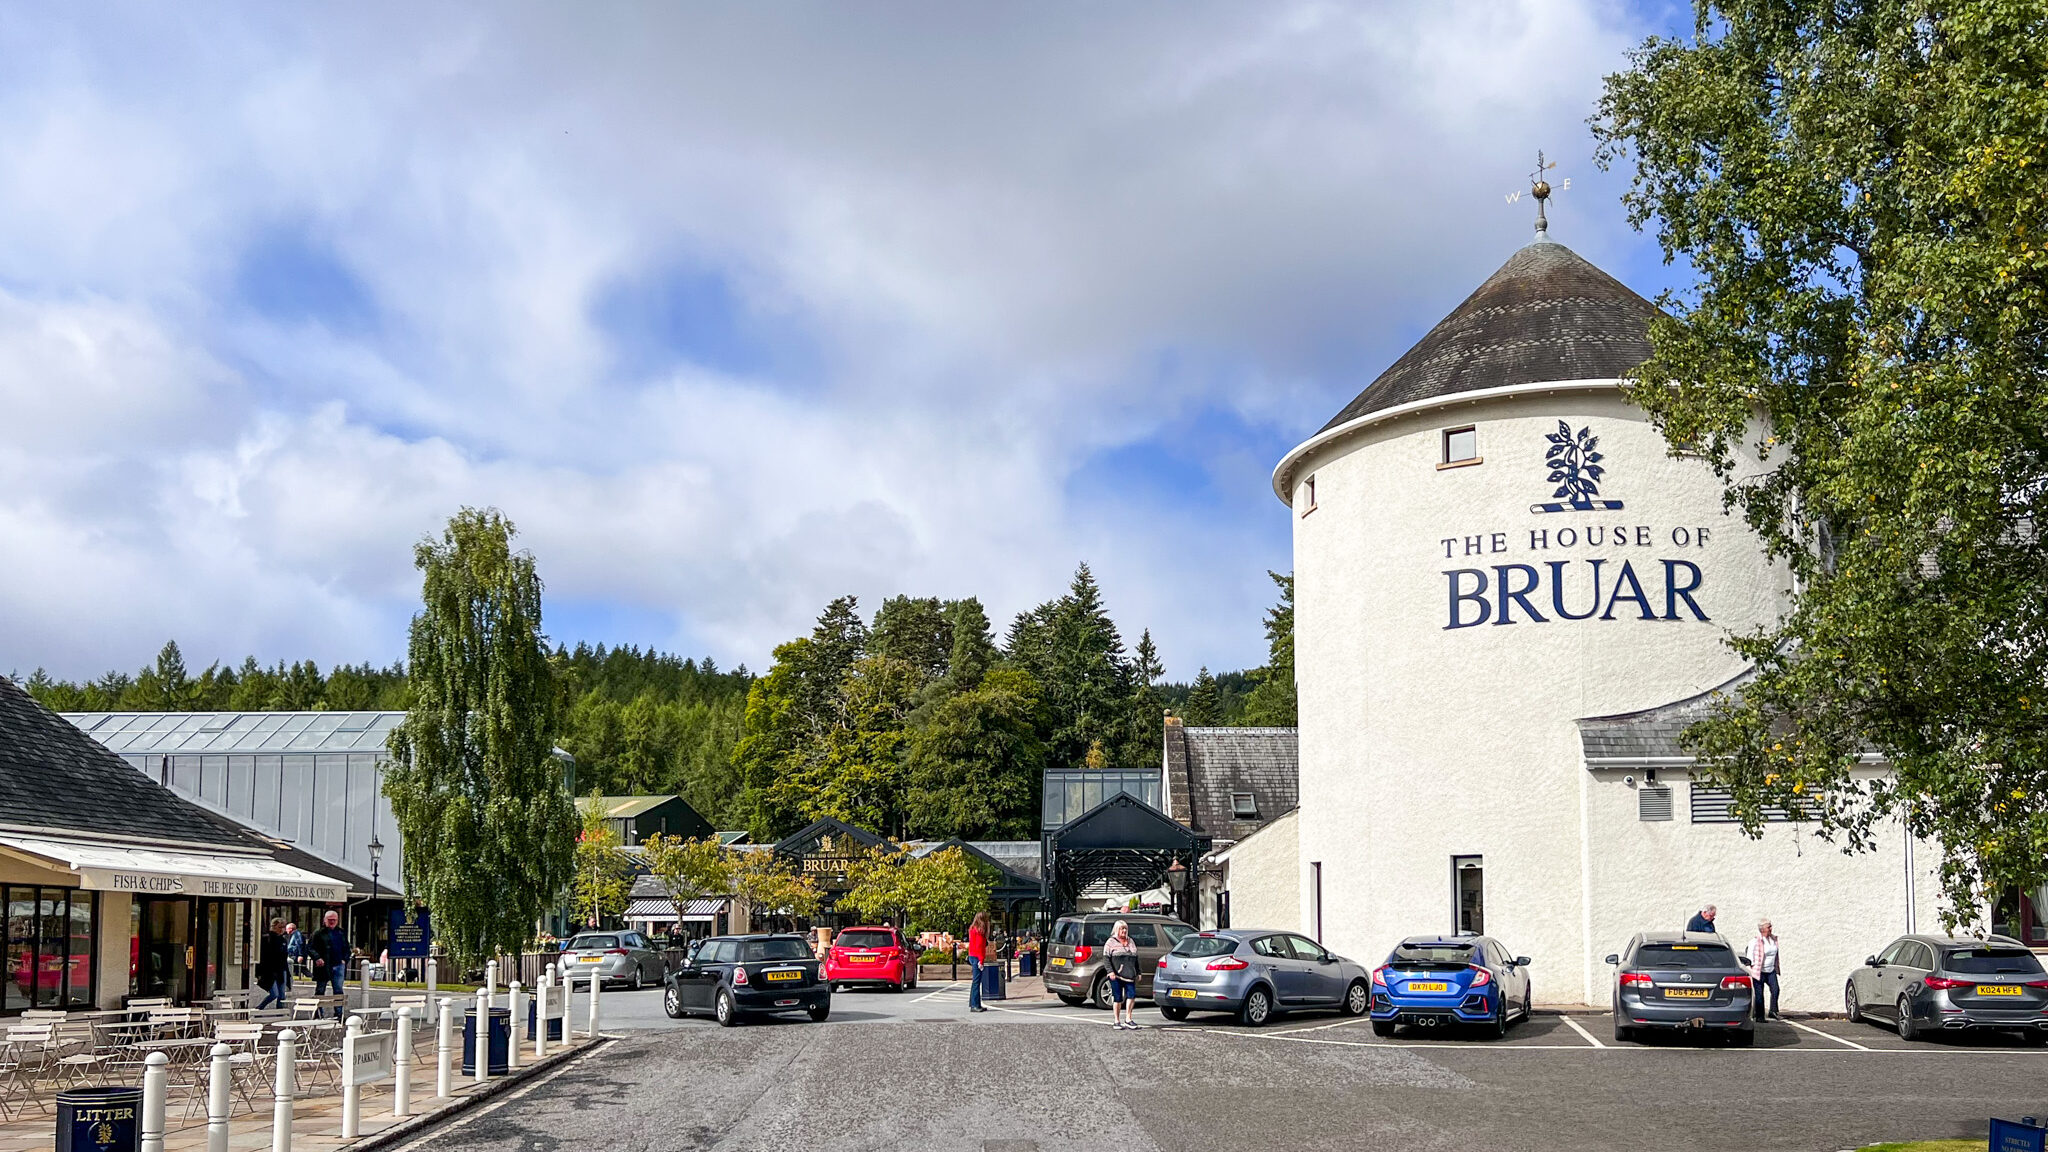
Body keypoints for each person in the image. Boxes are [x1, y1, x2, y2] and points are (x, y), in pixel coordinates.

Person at [309, 910, 350, 1018]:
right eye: (330, 920)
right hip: (323, 966)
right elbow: (310, 948)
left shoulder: (341, 933)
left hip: (338, 965)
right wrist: (317, 957)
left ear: (337, 920)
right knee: (320, 989)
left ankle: (339, 1014)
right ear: (324, 920)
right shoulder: (318, 933)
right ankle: (318, 1013)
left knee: (338, 990)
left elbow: (347, 948)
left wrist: (345, 959)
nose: (332, 922)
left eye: (334, 920)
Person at [1102, 920, 1140, 1030]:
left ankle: (1128, 1019)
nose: (1124, 931)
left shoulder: (1131, 941)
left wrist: (1138, 972)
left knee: (1131, 995)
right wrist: (1110, 972)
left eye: (1125, 929)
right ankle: (1116, 1020)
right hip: (1116, 975)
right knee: (1117, 998)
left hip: (1130, 975)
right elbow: (1106, 959)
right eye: (1121, 929)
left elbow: (1136, 958)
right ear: (1116, 930)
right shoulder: (1110, 942)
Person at [1744, 919, 1782, 1020]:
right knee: (1759, 994)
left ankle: (1773, 1011)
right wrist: (1750, 968)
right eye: (1768, 927)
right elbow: (1750, 955)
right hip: (1759, 971)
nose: (1771, 928)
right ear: (1762, 929)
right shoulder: (1755, 941)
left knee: (1776, 990)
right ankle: (1760, 1016)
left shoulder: (1773, 939)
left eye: (1770, 926)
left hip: (1770, 970)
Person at [255, 918, 291, 1008]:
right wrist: (258, 972)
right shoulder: (267, 939)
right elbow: (261, 956)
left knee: (282, 995)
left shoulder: (283, 940)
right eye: (280, 927)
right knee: (274, 994)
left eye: (283, 927)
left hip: (281, 970)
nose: (282, 930)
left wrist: (287, 973)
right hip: (269, 970)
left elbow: (284, 957)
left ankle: (280, 1014)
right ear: (274, 927)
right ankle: (259, 1007)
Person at [966, 911, 990, 1014]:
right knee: (976, 982)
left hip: (972, 955)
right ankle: (975, 1005)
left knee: (975, 982)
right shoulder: (980, 931)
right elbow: (980, 947)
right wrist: (981, 960)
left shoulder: (972, 929)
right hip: (977, 957)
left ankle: (974, 1003)